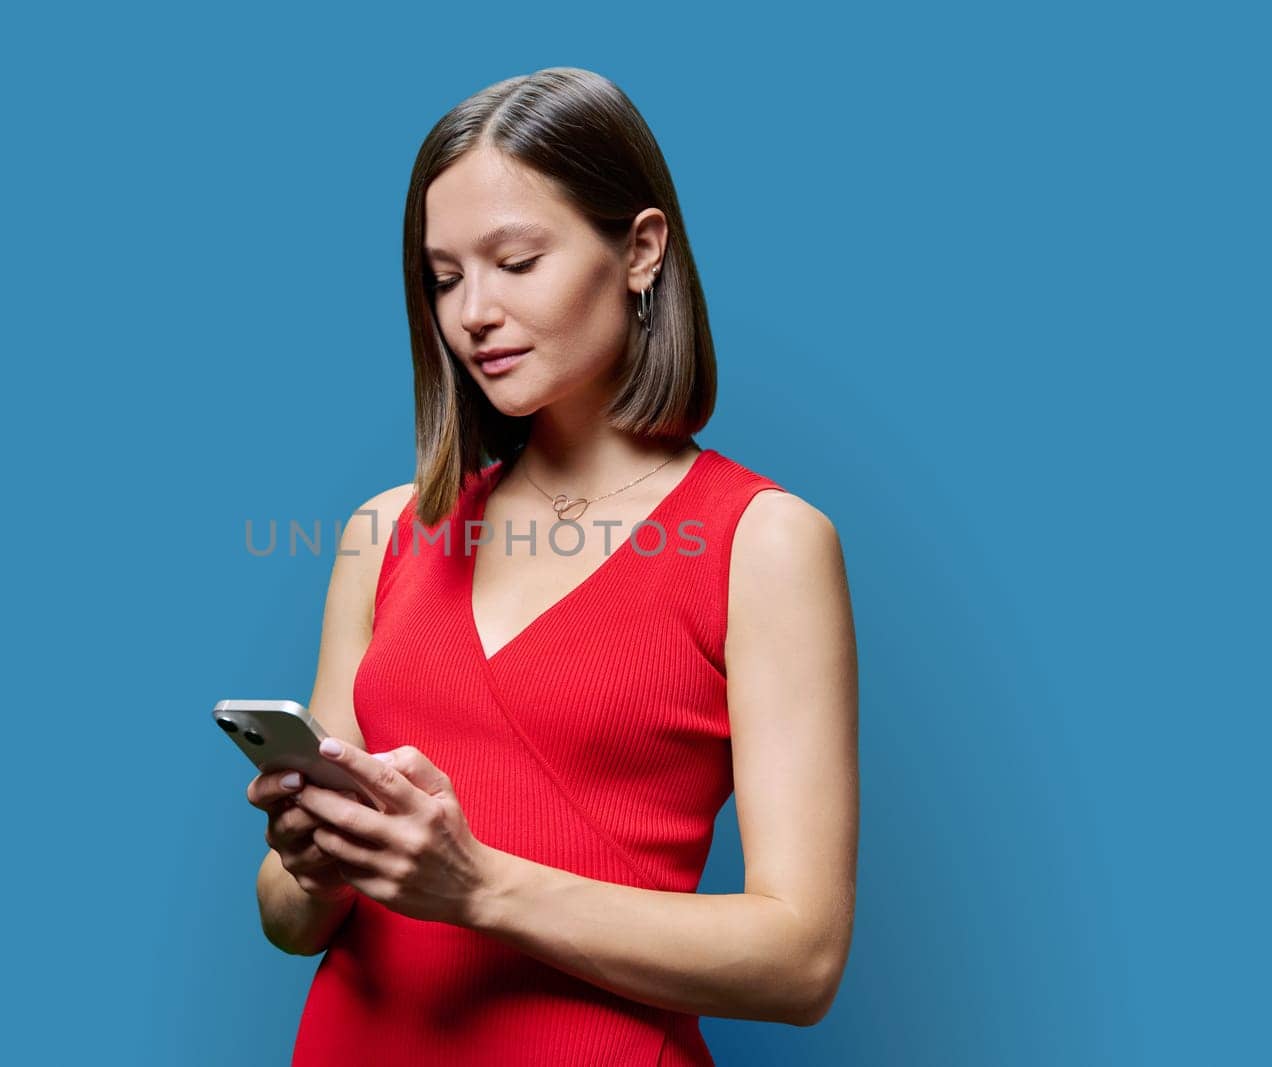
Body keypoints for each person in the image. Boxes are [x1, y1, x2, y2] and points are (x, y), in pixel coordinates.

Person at [247, 67, 858, 1065]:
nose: (472, 312)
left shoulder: (762, 540)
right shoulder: (388, 530)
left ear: (640, 250)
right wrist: (313, 865)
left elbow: (802, 959)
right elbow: (284, 921)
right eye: (443, 278)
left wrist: (480, 886)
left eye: (515, 260)